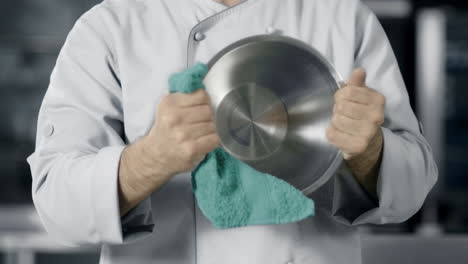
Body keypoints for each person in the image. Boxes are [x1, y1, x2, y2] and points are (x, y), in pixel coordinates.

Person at [27, 0, 438, 263]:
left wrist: (369, 151)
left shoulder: (343, 17)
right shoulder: (109, 28)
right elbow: (57, 205)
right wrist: (148, 161)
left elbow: (412, 188)